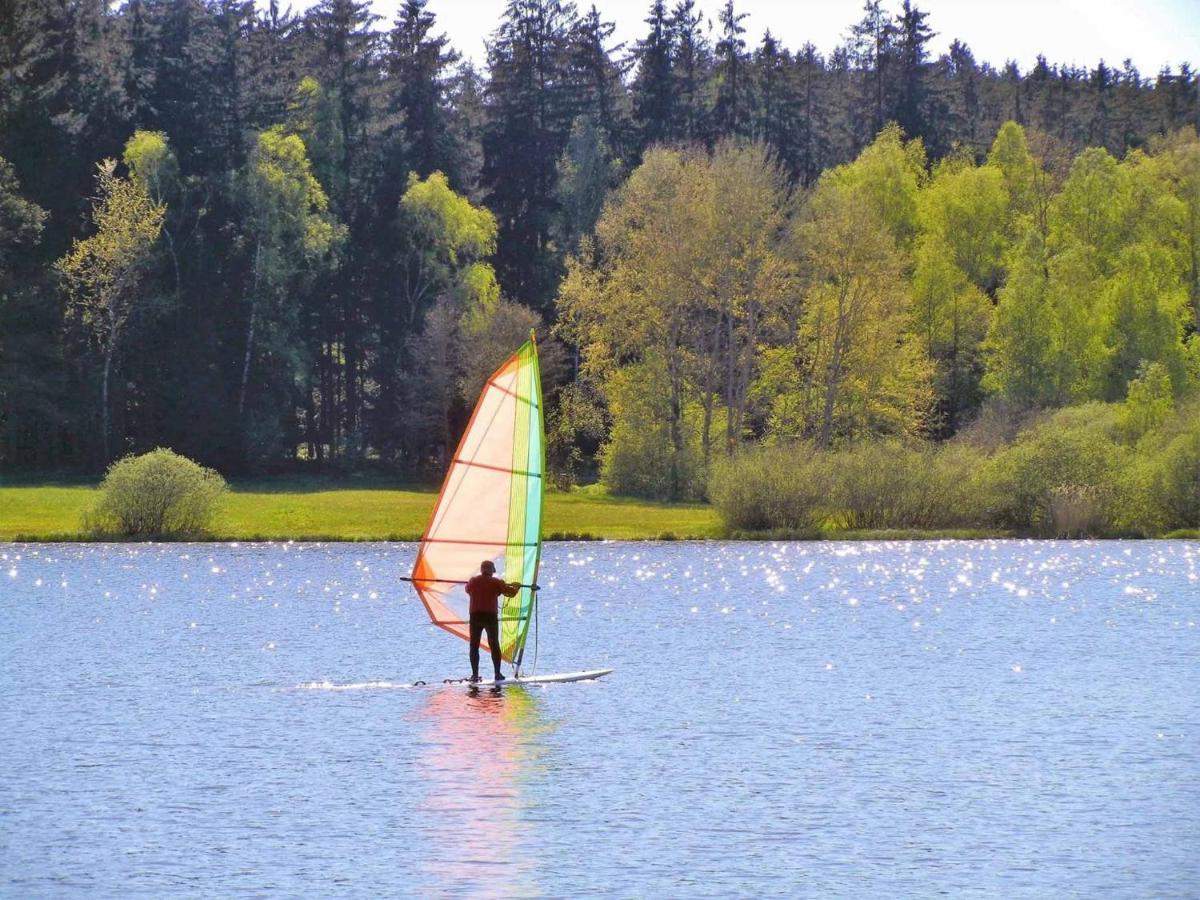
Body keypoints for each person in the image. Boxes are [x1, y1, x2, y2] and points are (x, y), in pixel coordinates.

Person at [465, 560, 519, 682]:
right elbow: (510, 593)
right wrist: (516, 587)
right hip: (490, 616)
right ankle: (497, 674)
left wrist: (501, 585)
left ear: (481, 569)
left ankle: (474, 675)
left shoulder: (473, 581)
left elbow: (467, 589)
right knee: (494, 645)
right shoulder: (496, 582)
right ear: (491, 570)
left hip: (475, 616)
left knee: (474, 645)